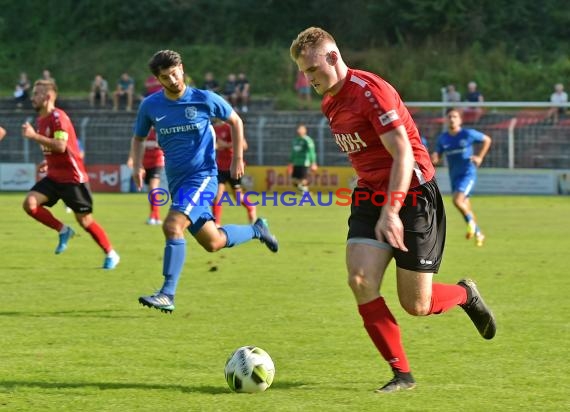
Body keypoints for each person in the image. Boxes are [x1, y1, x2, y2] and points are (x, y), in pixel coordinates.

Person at [290, 27, 496, 393]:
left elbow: (402, 154)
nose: (309, 80)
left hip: (413, 194)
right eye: (305, 74)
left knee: (417, 304)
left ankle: (466, 294)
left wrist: (391, 210)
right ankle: (402, 375)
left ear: (334, 58)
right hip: (371, 196)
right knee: (359, 281)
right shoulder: (329, 103)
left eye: (312, 71)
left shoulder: (371, 92)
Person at [130, 49, 278, 314]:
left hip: (203, 178)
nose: (173, 80)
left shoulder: (204, 99)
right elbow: (139, 137)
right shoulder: (150, 106)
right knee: (214, 242)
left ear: (182, 69)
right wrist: (137, 163)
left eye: (175, 73)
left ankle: (167, 293)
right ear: (158, 80)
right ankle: (258, 229)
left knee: (172, 226)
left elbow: (235, 120)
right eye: (165, 77)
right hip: (177, 183)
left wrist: (237, 158)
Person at [20, 79, 120, 269]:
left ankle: (111, 253)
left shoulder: (59, 117)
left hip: (73, 178)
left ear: (48, 97)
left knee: (85, 220)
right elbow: (55, 149)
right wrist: (46, 161)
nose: (32, 98)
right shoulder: (41, 120)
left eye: (36, 94)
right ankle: (63, 230)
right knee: (30, 204)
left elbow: (60, 146)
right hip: (54, 176)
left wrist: (33, 136)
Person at [431, 108, 492, 246]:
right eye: (450, 117)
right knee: (466, 206)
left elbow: (487, 140)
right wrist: (434, 158)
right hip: (454, 175)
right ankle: (479, 234)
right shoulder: (443, 138)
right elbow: (438, 157)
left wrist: (480, 157)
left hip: (467, 173)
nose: (452, 119)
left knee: (457, 201)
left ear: (460, 120)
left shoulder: (468, 134)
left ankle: (471, 223)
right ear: (446, 120)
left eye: (455, 116)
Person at [212, 118, 256, 225]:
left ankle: (251, 207)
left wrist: (225, 145)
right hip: (219, 167)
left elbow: (244, 145)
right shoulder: (212, 128)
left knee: (237, 197)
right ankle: (216, 224)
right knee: (217, 195)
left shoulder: (230, 127)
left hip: (233, 166)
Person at [127, 127, 165, 225]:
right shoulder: (142, 130)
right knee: (150, 190)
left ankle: (154, 215)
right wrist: (132, 158)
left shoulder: (160, 129)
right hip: (144, 163)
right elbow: (135, 143)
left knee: (153, 187)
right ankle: (155, 216)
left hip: (157, 162)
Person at [287, 124, 317, 193]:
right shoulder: (295, 140)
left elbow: (312, 152)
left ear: (305, 130)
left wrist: (313, 163)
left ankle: (305, 196)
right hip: (296, 163)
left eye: (301, 129)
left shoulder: (307, 140)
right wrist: (290, 163)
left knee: (303, 180)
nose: (299, 131)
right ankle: (306, 193)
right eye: (298, 129)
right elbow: (293, 152)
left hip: (304, 163)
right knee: (294, 181)